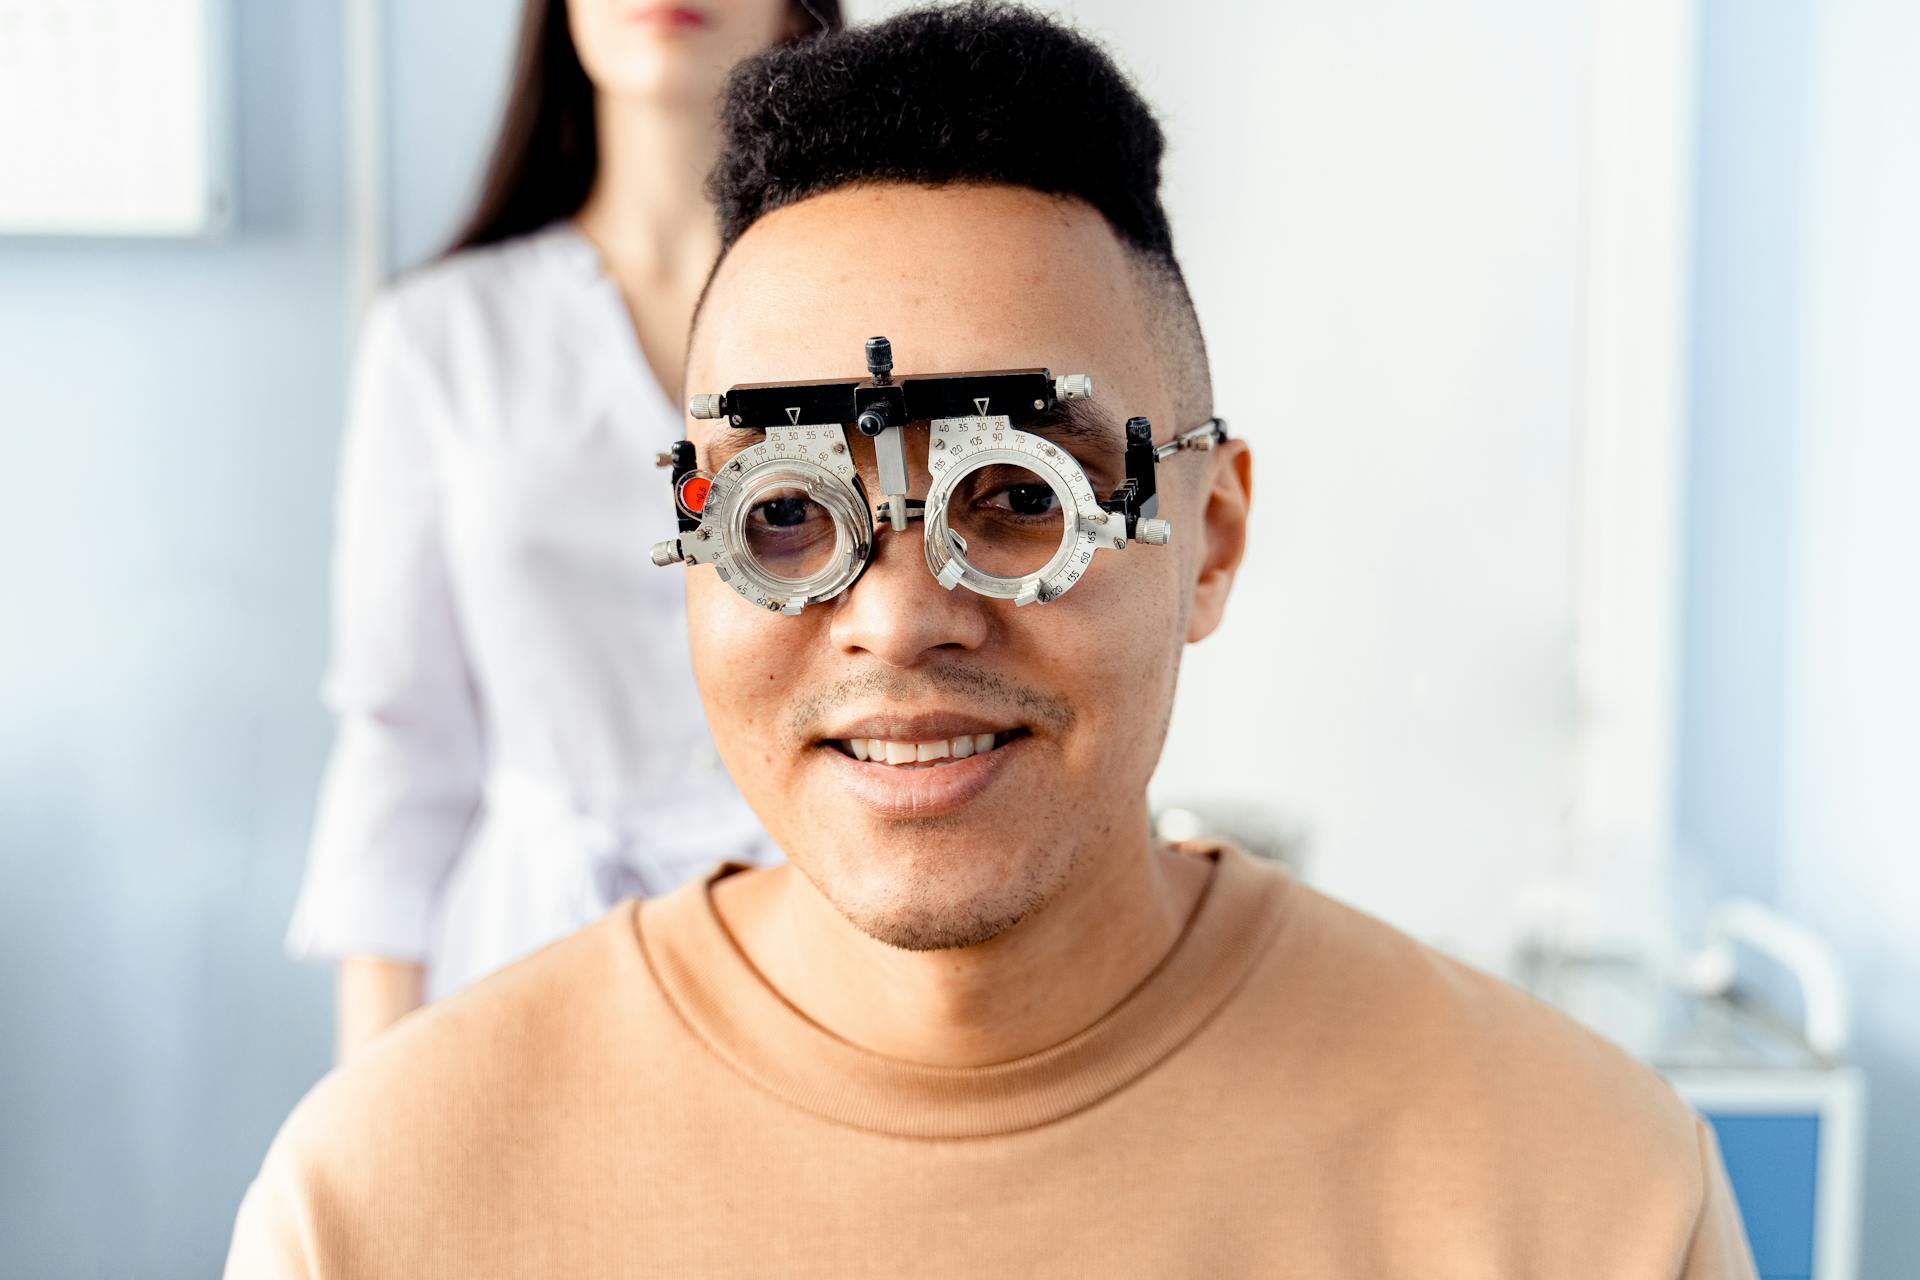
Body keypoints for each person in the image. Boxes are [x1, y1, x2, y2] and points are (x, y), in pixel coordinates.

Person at [230, 5, 1758, 1275]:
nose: (897, 616)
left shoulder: (1588, 1198)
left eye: (1013, 497)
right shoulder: (381, 1206)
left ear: (1210, 536)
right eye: (784, 518)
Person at [288, 0, 843, 1058]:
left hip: (821, 943)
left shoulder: (877, 313)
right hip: (518, 962)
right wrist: (369, 1111)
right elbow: (399, 739)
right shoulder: (441, 334)